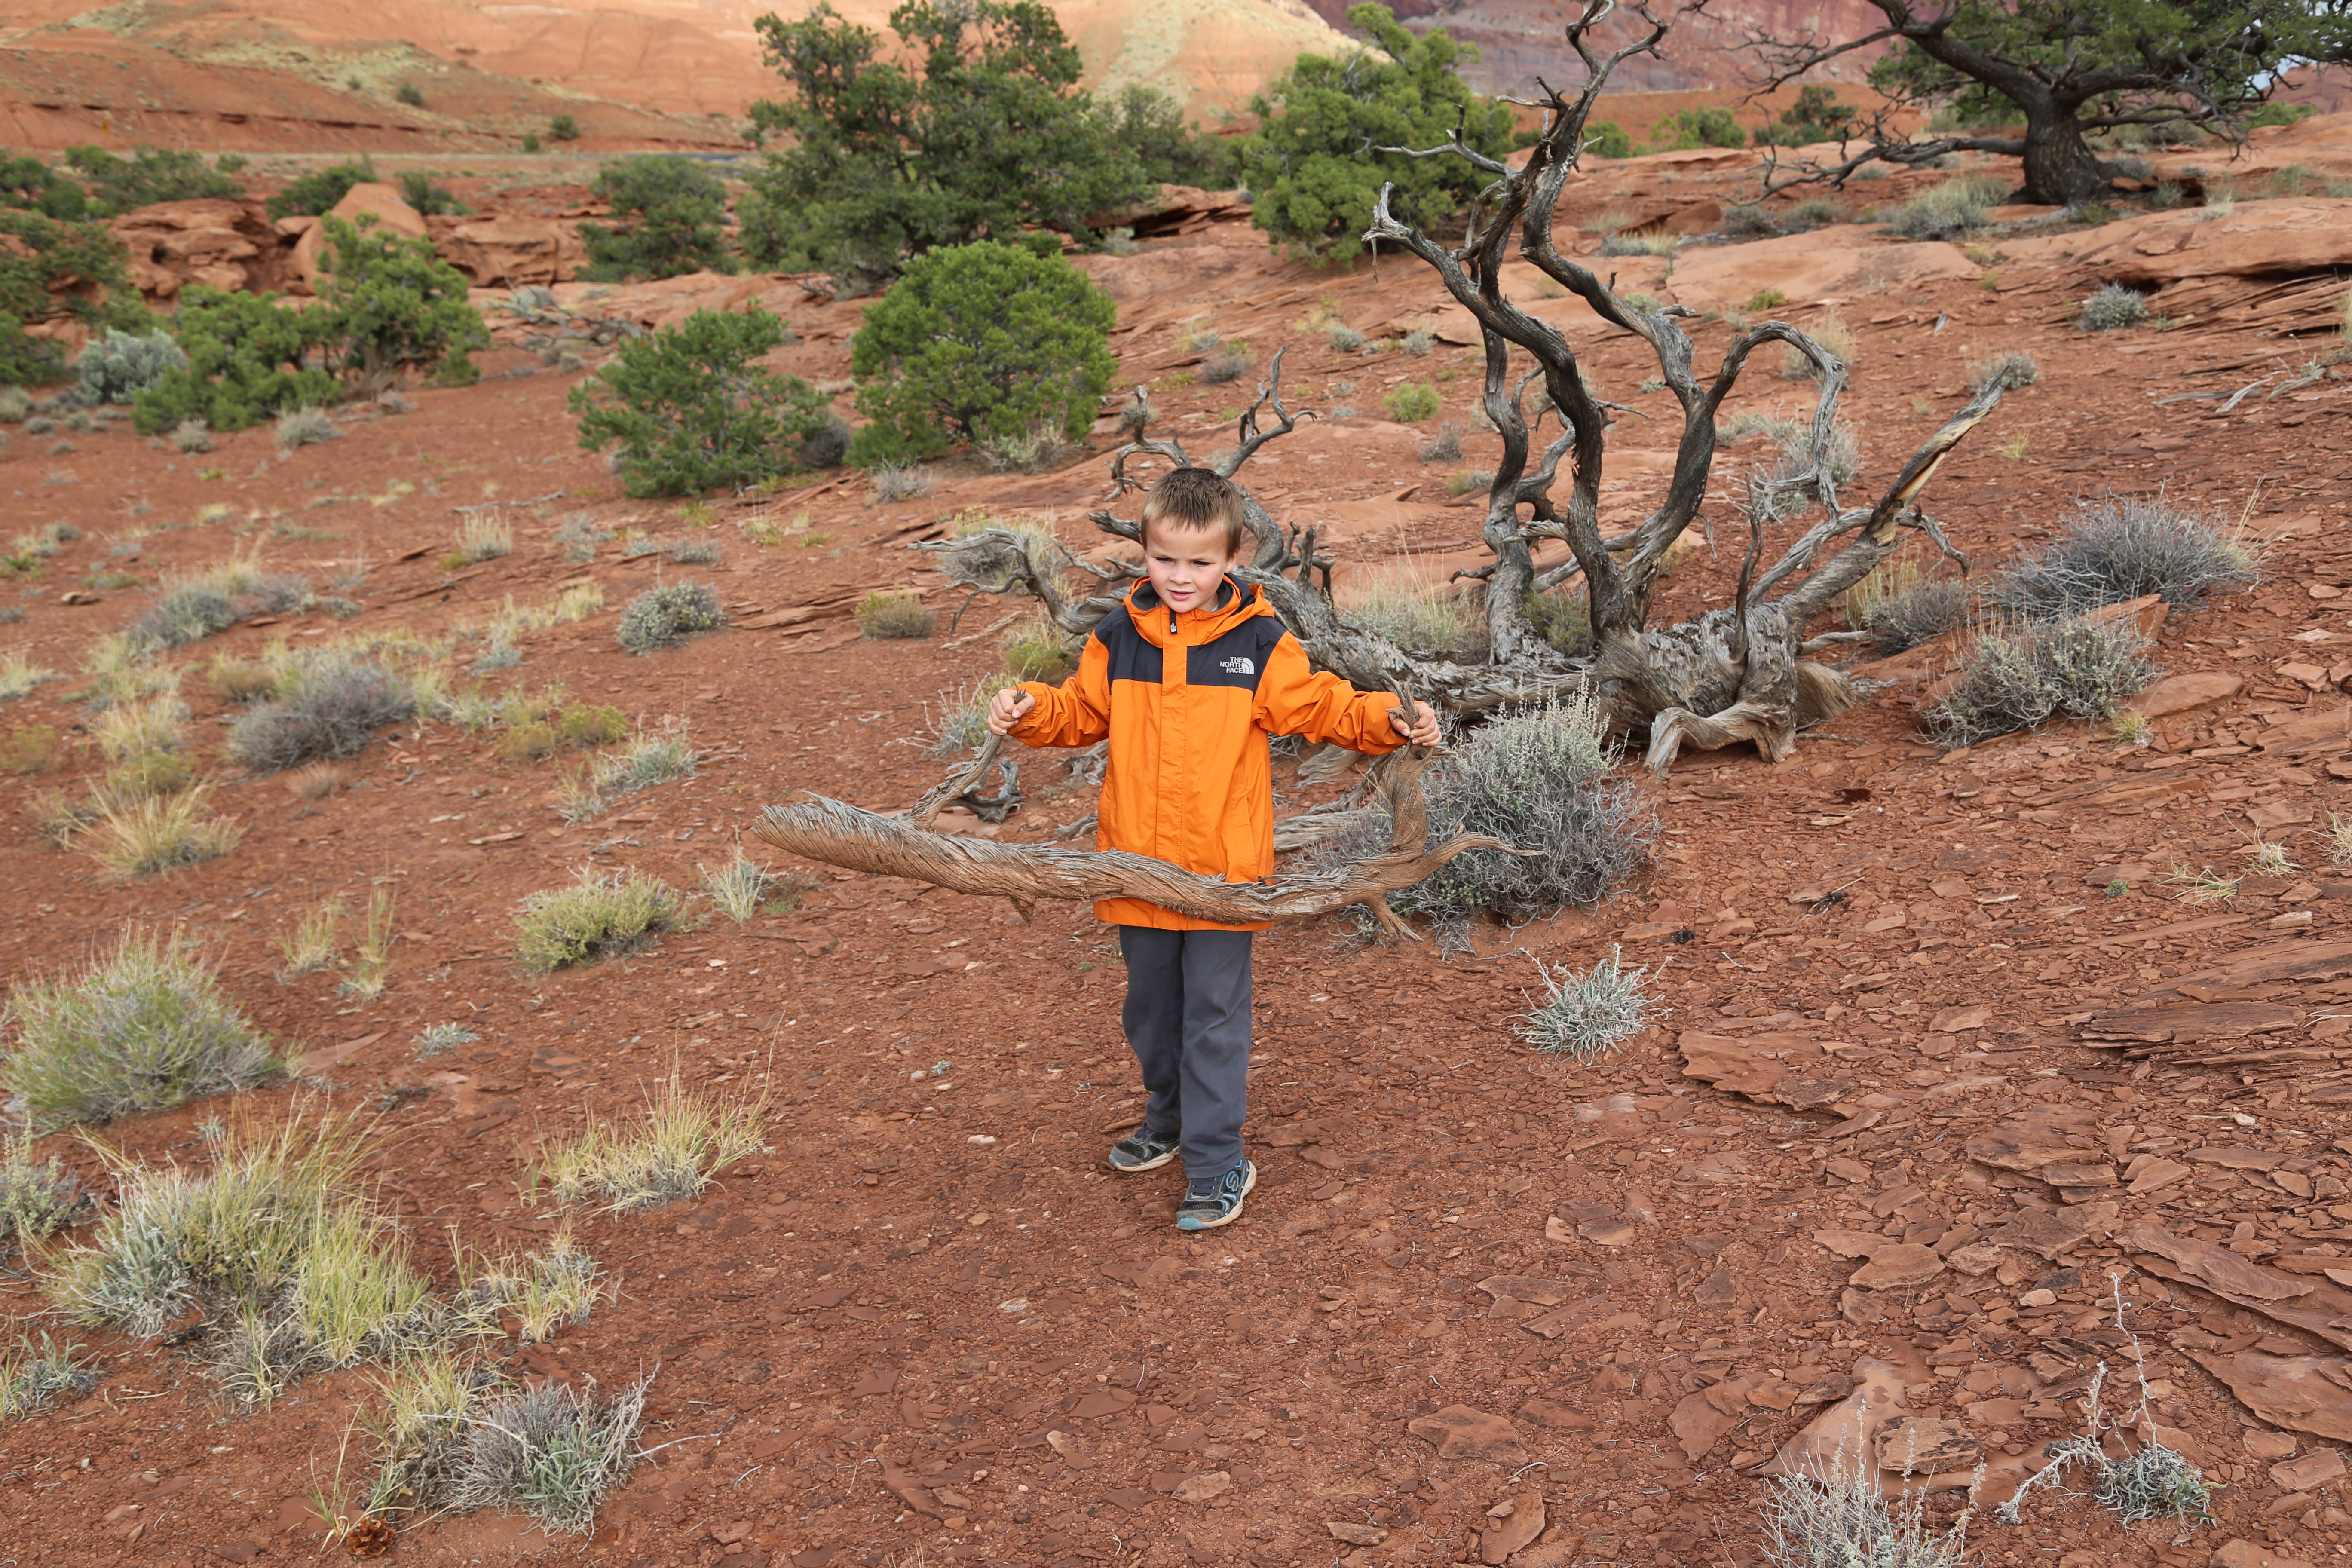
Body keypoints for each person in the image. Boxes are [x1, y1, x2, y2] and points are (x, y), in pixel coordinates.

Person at [988, 467, 1440, 1230]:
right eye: (1167, 559)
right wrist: (1030, 709)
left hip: (1225, 874)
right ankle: (1166, 1117)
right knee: (1150, 1013)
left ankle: (1216, 1159)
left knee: (1213, 1016)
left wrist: (1388, 718)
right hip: (1137, 865)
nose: (1181, 577)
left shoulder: (1259, 640)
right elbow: (1079, 714)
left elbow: (1320, 705)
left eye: (1201, 562)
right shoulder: (1117, 636)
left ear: (1234, 558)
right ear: (1145, 553)